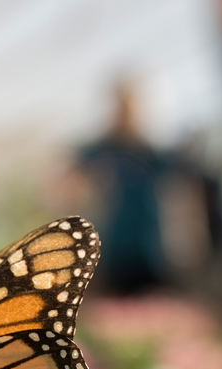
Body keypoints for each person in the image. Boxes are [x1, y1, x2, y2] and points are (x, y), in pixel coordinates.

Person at [74, 82, 176, 295]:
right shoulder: (99, 150)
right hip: (113, 246)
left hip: (148, 247)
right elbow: (71, 173)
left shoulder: (150, 153)